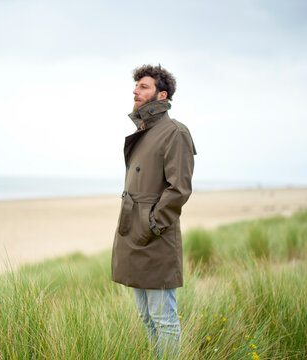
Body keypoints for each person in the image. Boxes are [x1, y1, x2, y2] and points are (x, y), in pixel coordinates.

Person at [111, 64, 196, 359]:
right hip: (133, 234)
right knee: (146, 318)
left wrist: (152, 225)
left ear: (162, 94)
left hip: (155, 238)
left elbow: (179, 189)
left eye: (143, 87)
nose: (135, 91)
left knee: (164, 320)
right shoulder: (144, 132)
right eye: (136, 86)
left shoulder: (175, 132)